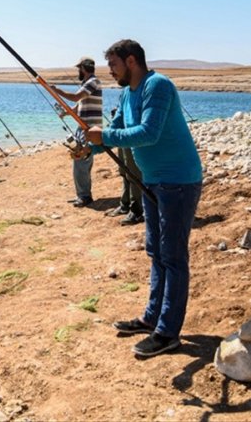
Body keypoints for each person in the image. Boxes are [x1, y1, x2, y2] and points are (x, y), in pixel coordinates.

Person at [85, 39, 202, 358]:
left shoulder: (158, 86)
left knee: (173, 256)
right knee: (156, 251)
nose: (110, 72)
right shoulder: (126, 93)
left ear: (132, 61)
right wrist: (90, 147)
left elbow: (148, 133)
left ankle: (168, 332)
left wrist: (104, 136)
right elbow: (119, 128)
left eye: (113, 65)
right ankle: (152, 318)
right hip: (151, 181)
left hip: (178, 180)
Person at [49, 57, 103, 208]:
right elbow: (79, 104)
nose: (78, 72)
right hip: (82, 127)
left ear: (83, 68)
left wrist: (57, 90)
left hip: (90, 128)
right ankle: (82, 194)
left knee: (82, 160)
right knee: (78, 160)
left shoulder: (93, 82)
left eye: (79, 69)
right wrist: (66, 113)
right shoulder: (87, 83)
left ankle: (85, 196)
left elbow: (76, 97)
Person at [105, 106, 145, 225]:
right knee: (124, 170)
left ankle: (137, 211)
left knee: (133, 172)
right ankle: (125, 205)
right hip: (122, 130)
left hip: (132, 133)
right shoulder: (126, 91)